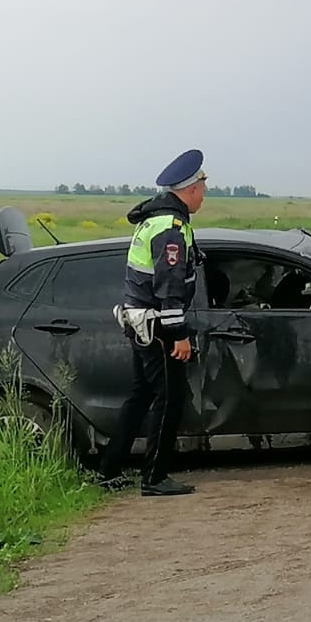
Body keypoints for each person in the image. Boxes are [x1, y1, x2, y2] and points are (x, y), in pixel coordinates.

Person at [96, 149, 208, 496]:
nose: (204, 194)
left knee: (140, 397)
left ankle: (109, 468)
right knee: (169, 399)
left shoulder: (155, 219)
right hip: (158, 326)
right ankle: (155, 478)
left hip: (140, 321)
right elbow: (169, 286)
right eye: (203, 187)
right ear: (190, 190)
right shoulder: (170, 228)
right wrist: (179, 335)